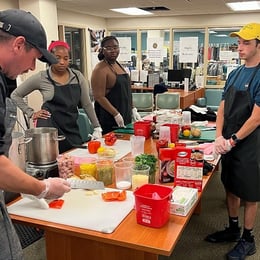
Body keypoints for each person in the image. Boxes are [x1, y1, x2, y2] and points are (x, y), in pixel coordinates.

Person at [0, 9, 71, 259]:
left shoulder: (4, 79)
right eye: (35, 58)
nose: (31, 68)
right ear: (19, 44)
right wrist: (41, 187)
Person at [205, 23, 260, 260]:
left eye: (246, 43)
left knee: (249, 192)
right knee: (230, 185)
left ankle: (248, 239)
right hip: (228, 141)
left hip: (250, 145)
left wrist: (233, 140)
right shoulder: (234, 74)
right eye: (238, 42)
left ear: (258, 45)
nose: (240, 47)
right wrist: (219, 137)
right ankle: (232, 228)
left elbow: (257, 118)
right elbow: (222, 109)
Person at [11, 40, 102, 153]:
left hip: (71, 127)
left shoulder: (77, 77)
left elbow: (87, 104)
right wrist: (31, 113)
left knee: (74, 157)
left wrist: (97, 127)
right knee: (52, 162)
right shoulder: (42, 77)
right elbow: (15, 95)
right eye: (57, 58)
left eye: (66, 58)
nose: (62, 62)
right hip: (48, 130)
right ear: (49, 58)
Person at [91, 36, 140, 134]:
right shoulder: (100, 69)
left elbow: (126, 91)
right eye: (109, 48)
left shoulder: (118, 65)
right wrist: (115, 113)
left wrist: (133, 108)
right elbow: (99, 97)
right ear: (102, 50)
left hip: (125, 115)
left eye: (115, 47)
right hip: (109, 118)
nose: (113, 51)